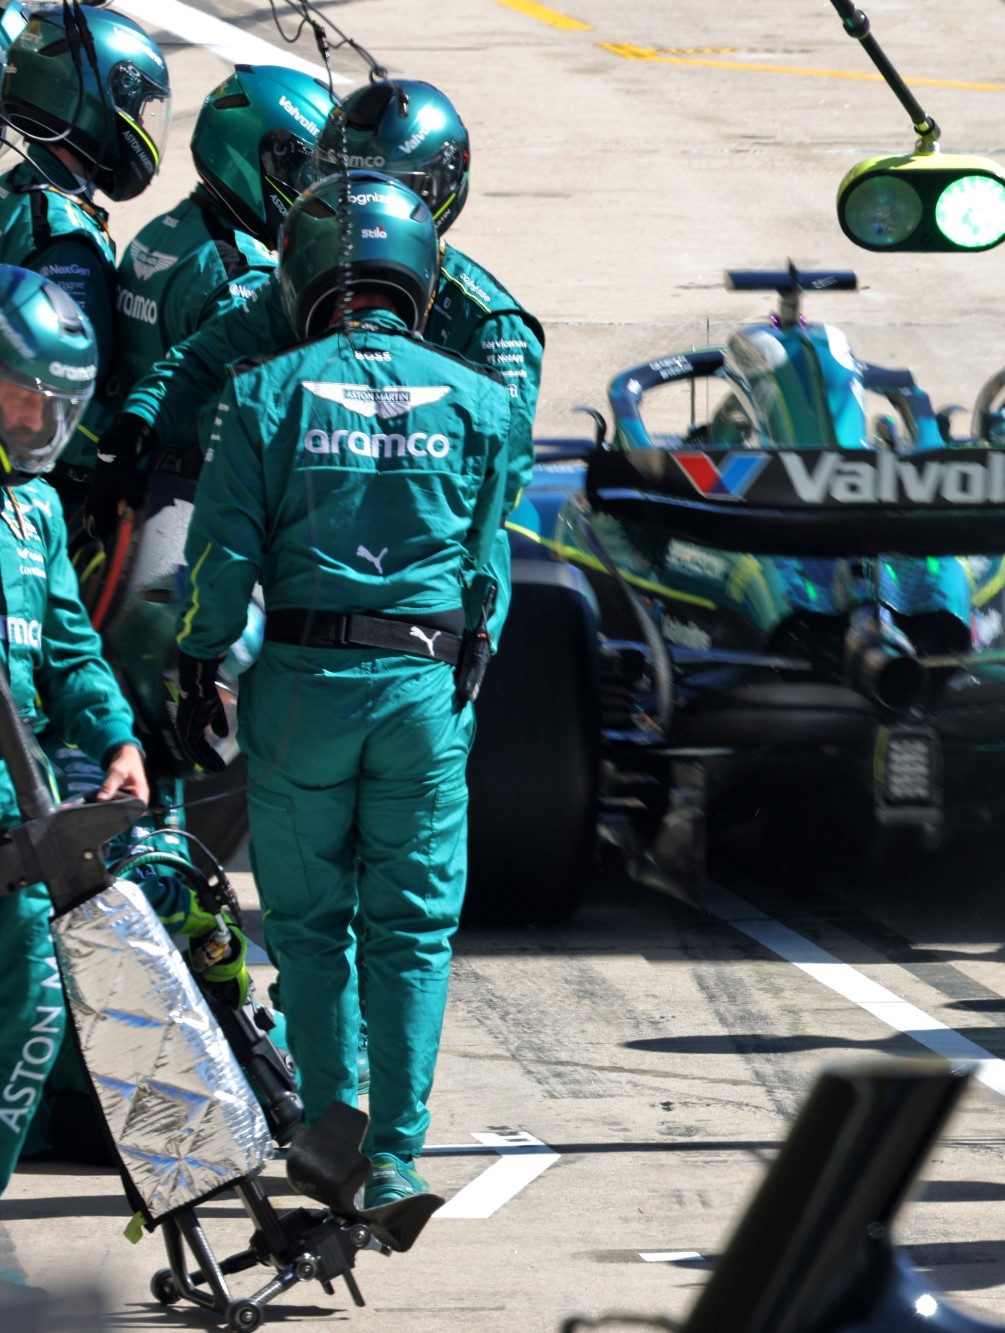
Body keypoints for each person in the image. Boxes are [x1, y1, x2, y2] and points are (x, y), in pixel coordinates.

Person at [174, 173, 522, 1209]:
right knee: (411, 929)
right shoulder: (483, 400)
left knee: (312, 925)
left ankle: (333, 1130)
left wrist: (195, 662)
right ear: (419, 275)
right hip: (423, 688)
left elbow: (220, 557)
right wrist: (464, 665)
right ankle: (397, 1160)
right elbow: (487, 566)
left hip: (302, 689)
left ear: (302, 273)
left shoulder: (264, 392)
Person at [94, 79, 540, 640]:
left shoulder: (492, 324)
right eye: (342, 185)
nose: (365, 209)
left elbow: (497, 492)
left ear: (437, 191)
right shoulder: (313, 274)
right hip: (307, 524)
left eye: (385, 188)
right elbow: (206, 359)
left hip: (422, 554)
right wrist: (134, 429)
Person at [0, 265, 148, 1216]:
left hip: (25, 805)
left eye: (55, 410)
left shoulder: (39, 511)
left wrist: (119, 736)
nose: (37, 426)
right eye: (20, 401)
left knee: (39, 1011)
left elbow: (70, 649)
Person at [82, 65, 335, 537]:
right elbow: (250, 425)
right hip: (180, 507)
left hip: (118, 479)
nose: (312, 190)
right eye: (305, 171)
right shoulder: (243, 272)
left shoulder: (164, 230)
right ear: (259, 155)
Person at [0, 7, 168, 510]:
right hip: (46, 492)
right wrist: (134, 461)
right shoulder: (63, 235)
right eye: (140, 106)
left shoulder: (18, 193)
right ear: (95, 100)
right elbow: (61, 389)